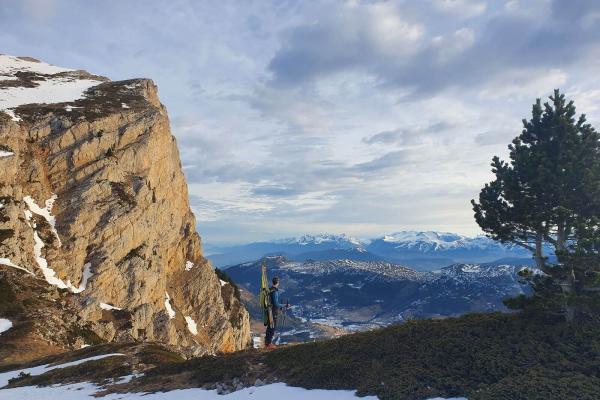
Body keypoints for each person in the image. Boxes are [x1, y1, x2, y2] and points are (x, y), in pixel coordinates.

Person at [265, 276, 289, 349]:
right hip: (273, 312)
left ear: (272, 282)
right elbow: (276, 304)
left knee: (269, 327)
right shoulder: (275, 291)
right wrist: (285, 305)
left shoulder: (269, 290)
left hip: (269, 311)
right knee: (272, 327)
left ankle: (267, 343)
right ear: (278, 282)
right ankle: (269, 344)